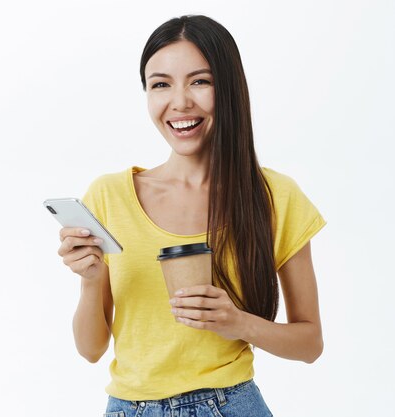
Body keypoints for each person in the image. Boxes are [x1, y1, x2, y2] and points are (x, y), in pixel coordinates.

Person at [56, 14, 325, 417]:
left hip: (232, 405)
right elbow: (90, 349)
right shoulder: (108, 195)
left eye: (200, 81)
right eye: (161, 84)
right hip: (129, 408)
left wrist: (237, 323)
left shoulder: (273, 196)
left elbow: (310, 344)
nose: (180, 102)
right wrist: (92, 282)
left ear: (230, 88)